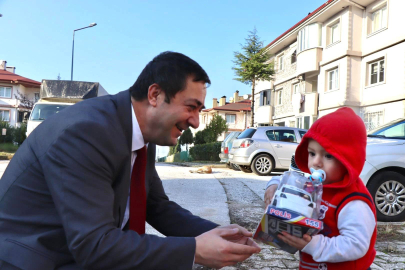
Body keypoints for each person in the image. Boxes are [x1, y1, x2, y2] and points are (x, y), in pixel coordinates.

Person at [0, 51, 260, 270]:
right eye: (190, 107)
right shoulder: (87, 132)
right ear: (155, 95)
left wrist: (221, 234)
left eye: (199, 110)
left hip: (73, 252)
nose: (195, 121)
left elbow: (156, 207)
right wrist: (194, 250)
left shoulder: (136, 133)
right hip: (34, 259)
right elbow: (95, 245)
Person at [264, 107, 377, 270]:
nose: (316, 162)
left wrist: (313, 244)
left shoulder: (354, 202)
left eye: (328, 156)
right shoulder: (314, 184)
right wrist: (273, 186)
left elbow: (356, 244)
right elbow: (285, 179)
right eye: (312, 153)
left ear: (349, 160)